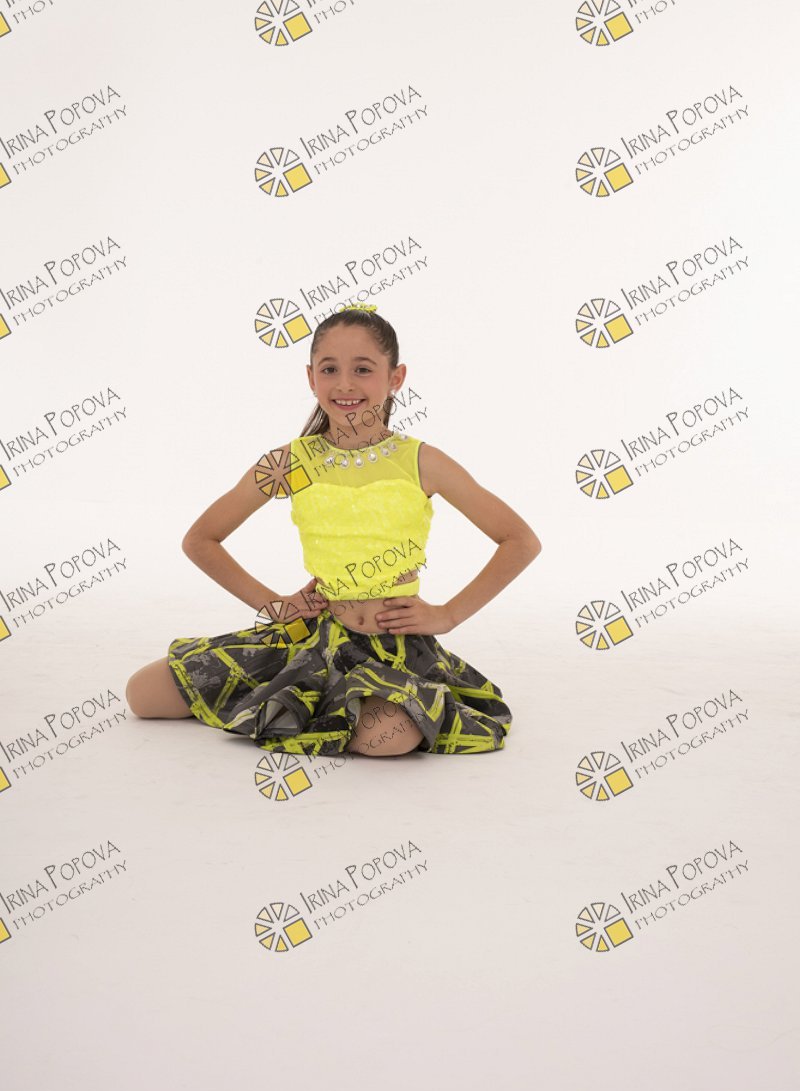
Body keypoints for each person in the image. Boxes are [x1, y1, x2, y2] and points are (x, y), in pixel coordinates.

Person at [125, 306, 542, 757]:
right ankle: (286, 698)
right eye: (329, 369)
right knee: (142, 695)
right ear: (311, 377)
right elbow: (201, 539)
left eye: (362, 369)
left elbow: (519, 541)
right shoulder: (290, 461)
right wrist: (275, 605)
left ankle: (328, 708)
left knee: (387, 738)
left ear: (396, 377)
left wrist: (448, 615)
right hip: (316, 639)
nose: (344, 384)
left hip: (392, 648)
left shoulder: (422, 461)